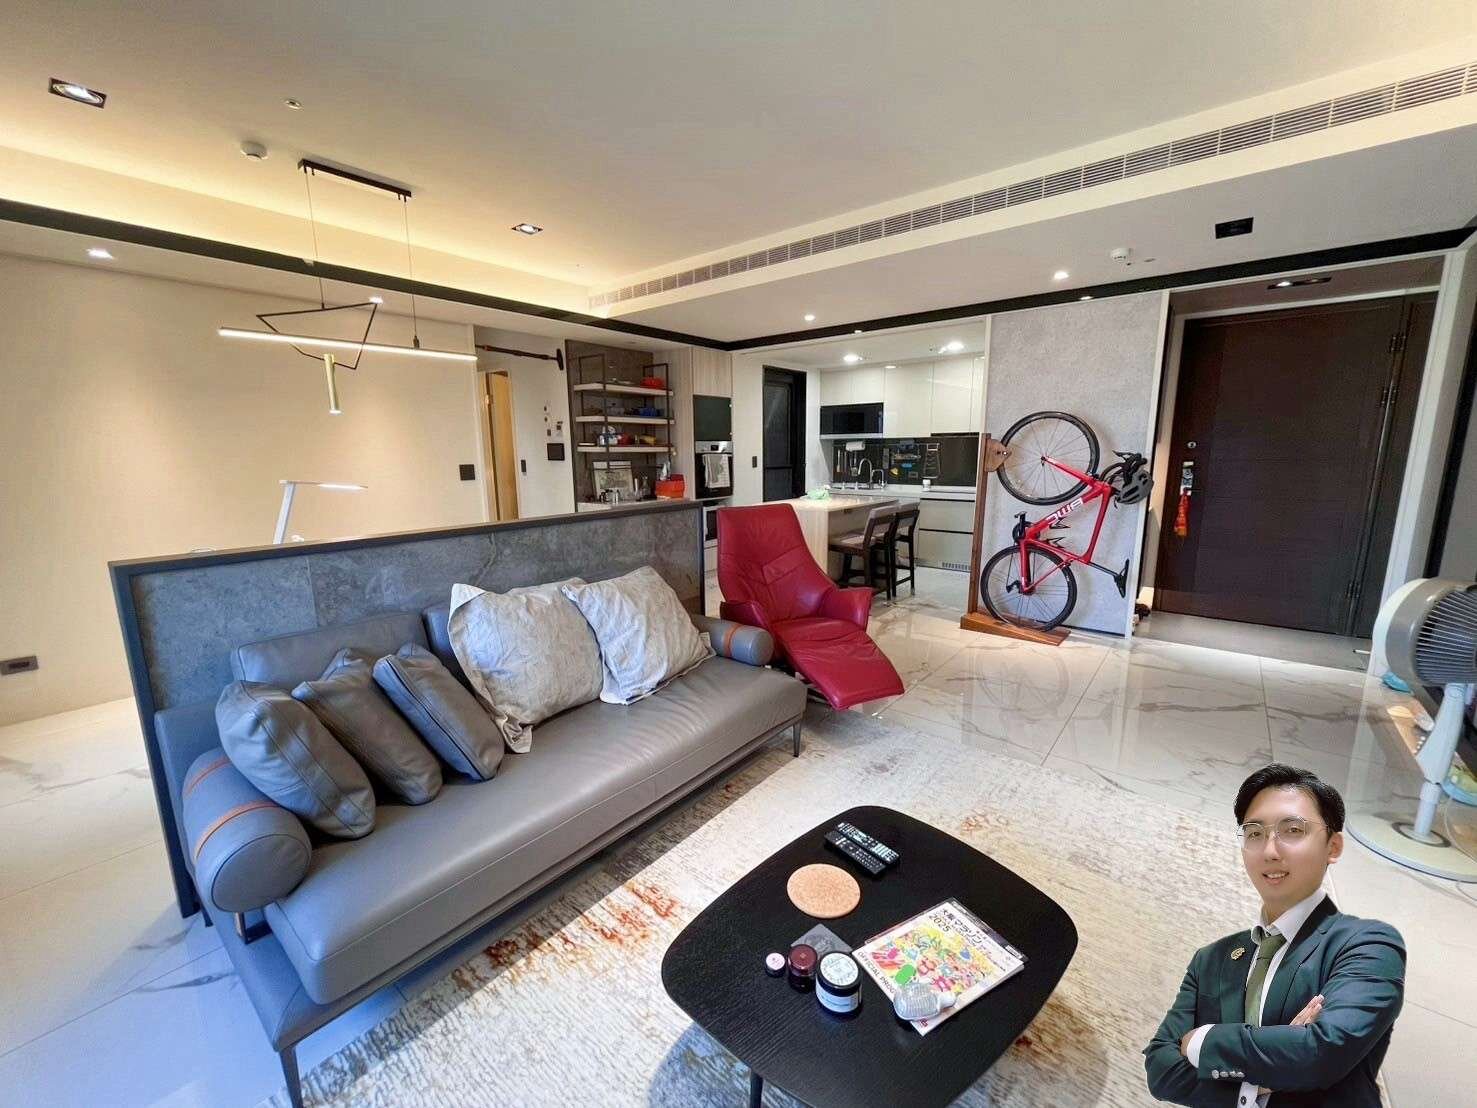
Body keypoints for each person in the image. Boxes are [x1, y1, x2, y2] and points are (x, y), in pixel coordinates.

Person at [1144, 764, 1405, 1107]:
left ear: (1333, 846)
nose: (1269, 850)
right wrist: (1264, 1079)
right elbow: (1160, 1071)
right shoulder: (1211, 959)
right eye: (1254, 833)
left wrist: (1201, 1041)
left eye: (1292, 830)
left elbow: (1322, 1053)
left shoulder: (1367, 944)